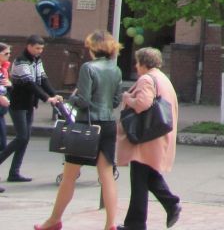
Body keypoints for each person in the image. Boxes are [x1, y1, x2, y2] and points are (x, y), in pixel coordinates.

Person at [34, 30, 123, 230]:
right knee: (107, 175)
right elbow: (116, 101)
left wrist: (71, 98)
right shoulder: (116, 69)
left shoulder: (88, 68)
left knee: (69, 176)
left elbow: (83, 100)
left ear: (93, 48)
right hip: (108, 124)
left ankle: (54, 220)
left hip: (86, 125)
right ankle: (110, 224)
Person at [116, 47, 181, 230]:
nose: (136, 66)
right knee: (148, 177)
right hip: (157, 136)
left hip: (146, 138)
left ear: (144, 63)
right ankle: (169, 205)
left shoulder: (146, 79)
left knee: (139, 181)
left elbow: (142, 104)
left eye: (137, 62)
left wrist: (127, 98)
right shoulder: (162, 78)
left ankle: (137, 224)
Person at [0, 34, 62, 183]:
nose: (39, 51)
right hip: (18, 103)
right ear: (29, 46)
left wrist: (54, 94)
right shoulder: (21, 61)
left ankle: (14, 172)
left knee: (25, 138)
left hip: (29, 104)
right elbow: (29, 84)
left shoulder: (37, 60)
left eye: (41, 48)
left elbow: (43, 79)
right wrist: (47, 98)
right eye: (37, 48)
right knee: (22, 137)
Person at [0, 42, 11, 193]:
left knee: (2, 144)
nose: (9, 56)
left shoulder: (3, 69)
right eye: (6, 53)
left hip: (1, 112)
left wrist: (9, 84)